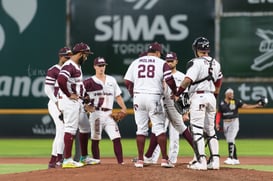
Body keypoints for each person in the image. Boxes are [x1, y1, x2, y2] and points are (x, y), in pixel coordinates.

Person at [124, 42, 178, 168]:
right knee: (159, 128)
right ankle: (165, 159)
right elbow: (169, 79)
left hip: (138, 96)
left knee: (141, 129)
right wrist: (176, 92)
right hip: (153, 96)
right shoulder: (161, 63)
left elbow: (127, 81)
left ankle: (141, 160)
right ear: (158, 53)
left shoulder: (136, 62)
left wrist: (133, 94)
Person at [173, 37, 223, 170]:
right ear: (207, 49)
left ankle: (201, 161)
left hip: (198, 96)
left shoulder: (195, 62)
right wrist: (214, 97)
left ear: (196, 49)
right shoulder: (216, 63)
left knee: (196, 129)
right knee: (210, 130)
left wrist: (178, 93)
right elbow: (218, 82)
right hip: (211, 96)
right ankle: (215, 161)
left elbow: (187, 80)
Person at [143, 52, 194, 165]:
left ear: (176, 61)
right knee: (158, 130)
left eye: (171, 61)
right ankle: (151, 157)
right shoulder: (161, 74)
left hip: (175, 105)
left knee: (176, 134)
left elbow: (185, 94)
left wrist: (185, 112)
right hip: (161, 103)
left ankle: (174, 158)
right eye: (167, 61)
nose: (169, 63)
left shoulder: (181, 76)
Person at [83, 57, 127, 164]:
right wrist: (85, 106)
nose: (101, 67)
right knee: (95, 139)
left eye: (103, 65)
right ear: (94, 67)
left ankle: (121, 162)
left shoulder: (111, 80)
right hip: (96, 113)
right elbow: (81, 97)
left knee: (116, 137)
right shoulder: (89, 82)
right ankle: (97, 161)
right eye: (99, 65)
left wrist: (124, 108)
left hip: (109, 114)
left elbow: (118, 96)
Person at [57, 42, 93, 168]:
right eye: (86, 55)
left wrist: (86, 100)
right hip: (69, 102)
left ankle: (84, 157)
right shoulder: (69, 65)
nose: (87, 57)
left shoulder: (76, 66)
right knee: (70, 129)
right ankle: (67, 160)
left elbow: (78, 85)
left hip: (76, 101)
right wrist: (68, 94)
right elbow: (61, 80)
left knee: (85, 126)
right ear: (81, 54)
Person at [215, 88, 263, 165]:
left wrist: (256, 105)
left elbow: (245, 106)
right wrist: (217, 123)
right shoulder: (221, 103)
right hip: (225, 123)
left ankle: (230, 158)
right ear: (226, 94)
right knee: (230, 140)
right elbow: (219, 113)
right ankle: (236, 159)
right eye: (230, 93)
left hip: (234, 122)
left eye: (232, 93)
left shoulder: (236, 101)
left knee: (230, 139)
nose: (232, 95)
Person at [45, 47, 72, 168]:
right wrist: (56, 102)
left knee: (61, 130)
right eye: (66, 57)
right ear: (61, 57)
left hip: (66, 104)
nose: (68, 59)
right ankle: (59, 158)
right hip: (55, 104)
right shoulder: (54, 70)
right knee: (62, 128)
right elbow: (48, 89)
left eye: (70, 57)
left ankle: (53, 159)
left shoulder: (71, 70)